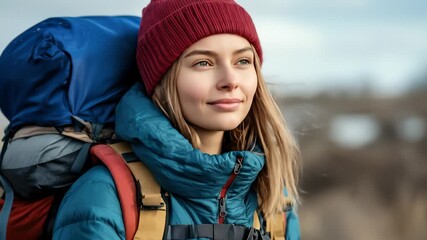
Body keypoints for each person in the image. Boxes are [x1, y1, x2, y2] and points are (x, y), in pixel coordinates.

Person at [53, 0, 301, 239]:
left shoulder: (273, 198)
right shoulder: (104, 196)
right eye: (203, 62)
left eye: (243, 61)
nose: (230, 79)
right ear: (162, 81)